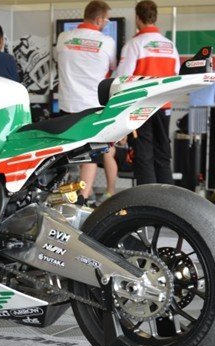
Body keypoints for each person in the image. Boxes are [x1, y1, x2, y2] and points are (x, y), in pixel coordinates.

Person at [55, 0, 118, 202]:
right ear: (99, 19)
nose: (106, 24)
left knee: (64, 155)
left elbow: (58, 59)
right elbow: (113, 69)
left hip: (67, 106)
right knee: (90, 155)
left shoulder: (63, 37)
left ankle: (65, 196)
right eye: (106, 20)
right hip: (92, 107)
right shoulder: (107, 42)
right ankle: (82, 198)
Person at [115, 0, 180, 185]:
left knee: (143, 154)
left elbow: (123, 78)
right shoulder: (170, 45)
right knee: (163, 153)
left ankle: (147, 197)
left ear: (138, 18)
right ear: (155, 17)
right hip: (164, 105)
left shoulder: (134, 44)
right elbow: (176, 73)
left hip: (141, 106)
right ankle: (167, 196)